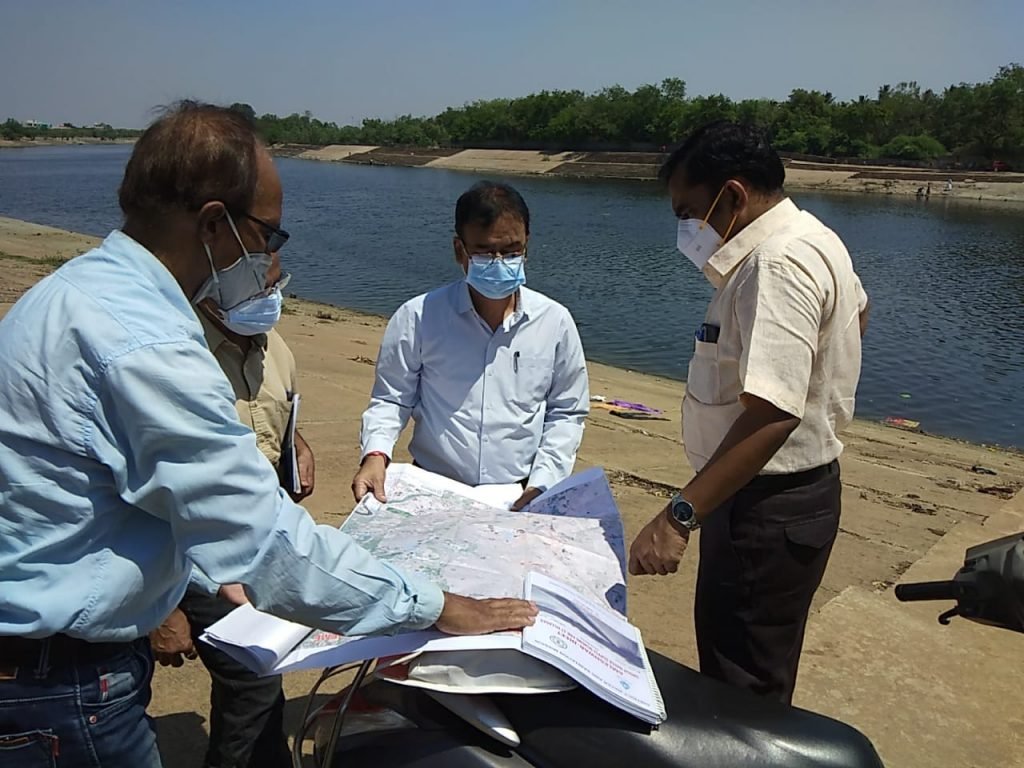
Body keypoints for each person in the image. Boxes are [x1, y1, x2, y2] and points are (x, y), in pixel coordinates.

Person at [0, 102, 535, 766]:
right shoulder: (146, 344)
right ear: (214, 225)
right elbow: (267, 544)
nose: (271, 258)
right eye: (269, 236)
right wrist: (436, 605)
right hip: (61, 685)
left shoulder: (78, 292)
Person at [628, 121, 870, 704]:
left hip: (765, 509)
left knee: (740, 689)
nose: (688, 230)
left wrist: (679, 516)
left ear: (732, 196)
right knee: (757, 669)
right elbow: (859, 313)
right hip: (778, 498)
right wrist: (818, 380)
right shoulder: (813, 236)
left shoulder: (776, 263)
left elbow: (772, 415)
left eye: (690, 212)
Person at [151, 251, 309, 768]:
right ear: (216, 288)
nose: (272, 298)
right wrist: (162, 606)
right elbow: (144, 486)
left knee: (264, 672)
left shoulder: (273, 346)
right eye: (260, 287)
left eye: (276, 284)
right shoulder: (175, 358)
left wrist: (296, 444)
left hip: (256, 548)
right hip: (190, 559)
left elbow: (274, 415)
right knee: (250, 676)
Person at [352, 181, 589, 509]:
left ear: (527, 246)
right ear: (459, 250)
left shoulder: (554, 322)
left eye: (511, 251)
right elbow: (391, 398)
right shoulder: (419, 317)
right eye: (484, 252)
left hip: (520, 494)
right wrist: (375, 455)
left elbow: (566, 410)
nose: (499, 262)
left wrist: (543, 483)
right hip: (433, 489)